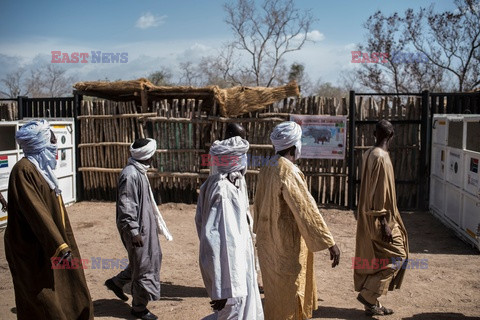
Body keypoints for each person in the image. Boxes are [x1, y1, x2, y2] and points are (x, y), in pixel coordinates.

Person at [5, 119, 93, 320]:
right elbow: (37, 212)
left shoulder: (42, 171)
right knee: (44, 301)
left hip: (53, 243)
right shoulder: (24, 170)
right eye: (51, 139)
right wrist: (58, 245)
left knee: (72, 289)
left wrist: (61, 242)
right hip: (34, 248)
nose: (55, 143)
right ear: (40, 142)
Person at [254, 121, 340, 320]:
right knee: (291, 294)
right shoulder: (289, 171)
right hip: (286, 245)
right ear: (294, 146)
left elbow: (257, 204)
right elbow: (306, 210)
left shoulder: (267, 166)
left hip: (267, 243)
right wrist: (330, 243)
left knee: (274, 293)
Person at [195, 136, 264, 320]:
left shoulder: (225, 184)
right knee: (233, 312)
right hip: (230, 276)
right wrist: (222, 288)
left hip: (239, 267)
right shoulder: (223, 192)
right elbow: (217, 241)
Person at [105, 138, 172, 320]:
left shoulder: (138, 171)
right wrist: (134, 231)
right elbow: (126, 205)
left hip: (143, 226)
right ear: (148, 156)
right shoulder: (131, 174)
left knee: (147, 260)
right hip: (137, 229)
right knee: (144, 266)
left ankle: (116, 283)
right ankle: (138, 308)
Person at [354, 119, 409, 316]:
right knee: (399, 256)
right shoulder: (381, 158)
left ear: (374, 134)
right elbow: (377, 193)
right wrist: (384, 222)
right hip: (380, 220)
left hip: (370, 217)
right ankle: (369, 294)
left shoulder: (369, 153)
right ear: (391, 135)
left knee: (378, 259)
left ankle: (372, 303)